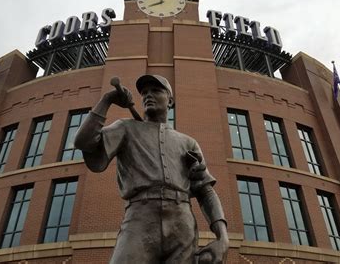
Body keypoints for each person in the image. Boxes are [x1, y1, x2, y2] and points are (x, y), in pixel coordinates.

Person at [75, 75, 229, 264]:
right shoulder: (126, 128)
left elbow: (206, 191)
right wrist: (107, 100)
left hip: (182, 223)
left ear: (170, 100)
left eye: (156, 91)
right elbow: (84, 142)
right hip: (140, 220)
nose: (148, 95)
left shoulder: (188, 142)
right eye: (144, 92)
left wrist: (223, 237)